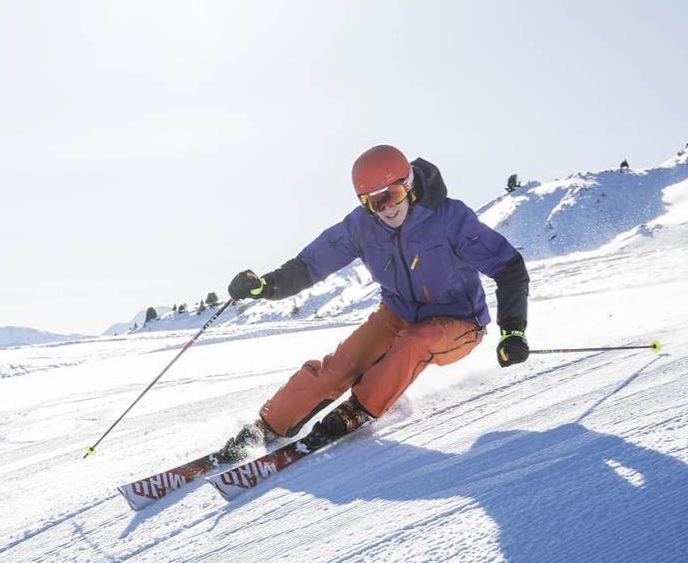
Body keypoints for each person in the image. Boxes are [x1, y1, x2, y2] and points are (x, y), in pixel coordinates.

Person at [218, 144, 530, 460]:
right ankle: (268, 425)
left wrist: (513, 331)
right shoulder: (361, 227)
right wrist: (265, 286)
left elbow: (509, 268)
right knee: (341, 365)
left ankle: (357, 410)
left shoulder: (449, 219)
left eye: (392, 195)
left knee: (414, 342)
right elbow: (310, 265)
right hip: (398, 313)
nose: (385, 208)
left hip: (459, 322)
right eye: (373, 201)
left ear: (408, 186)